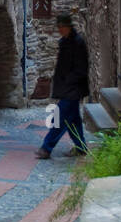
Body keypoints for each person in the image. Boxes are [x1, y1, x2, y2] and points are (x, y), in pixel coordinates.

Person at [37, 14, 89, 159]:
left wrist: (68, 81)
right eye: (58, 27)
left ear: (68, 27)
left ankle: (46, 148)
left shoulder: (77, 43)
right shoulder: (65, 42)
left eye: (61, 27)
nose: (59, 30)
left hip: (72, 89)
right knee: (73, 120)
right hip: (68, 88)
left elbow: (81, 69)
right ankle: (81, 147)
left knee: (59, 118)